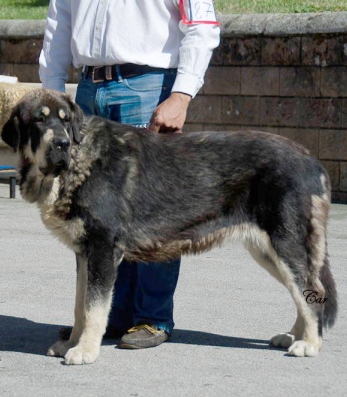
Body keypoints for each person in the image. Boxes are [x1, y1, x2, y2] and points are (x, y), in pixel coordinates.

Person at [39, 0, 220, 349]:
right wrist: (52, 88)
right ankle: (109, 316)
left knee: (153, 209)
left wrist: (181, 95)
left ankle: (153, 318)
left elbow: (202, 25)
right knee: (96, 215)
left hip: (148, 85)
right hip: (88, 88)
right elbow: (59, 20)